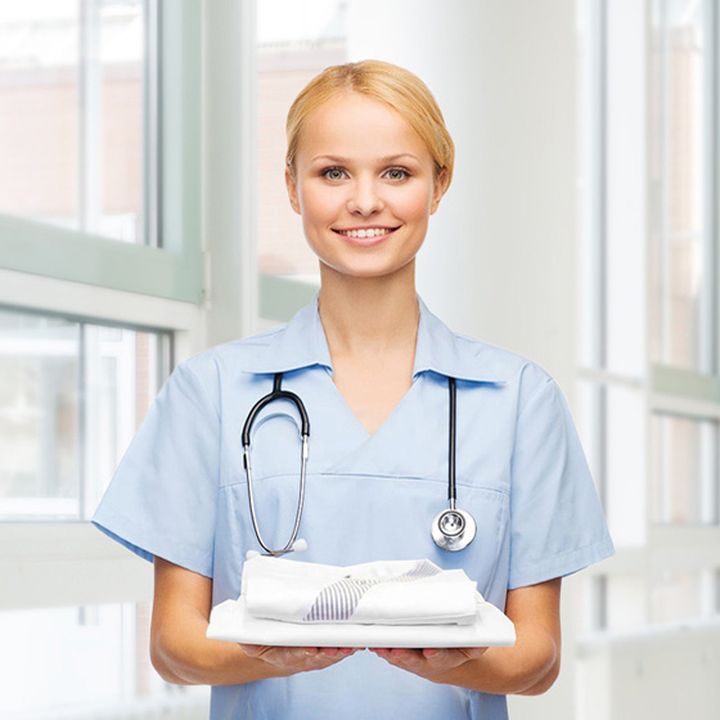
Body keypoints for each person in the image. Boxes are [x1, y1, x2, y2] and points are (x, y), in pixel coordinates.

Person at [91, 58, 615, 719]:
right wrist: (272, 655)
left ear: (438, 184)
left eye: (396, 172)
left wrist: (455, 660)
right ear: (292, 186)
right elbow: (172, 645)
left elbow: (538, 658)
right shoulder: (212, 392)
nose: (365, 200)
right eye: (333, 172)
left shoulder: (520, 401)